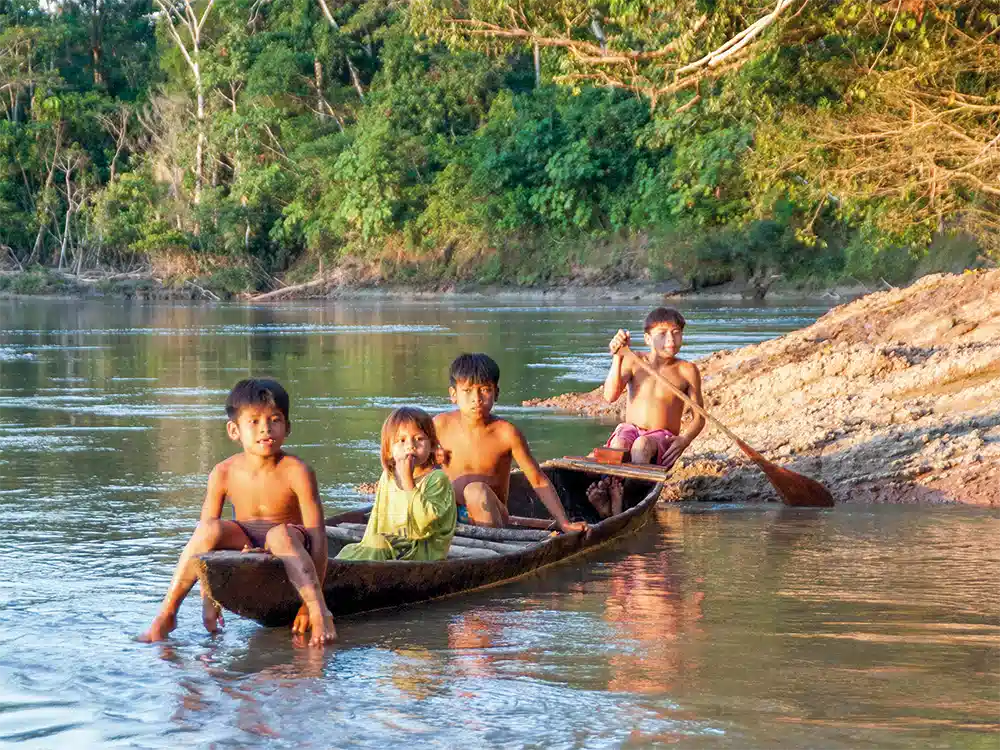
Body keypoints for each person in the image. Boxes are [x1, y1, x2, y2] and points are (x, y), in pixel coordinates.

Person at [139, 378, 335, 647]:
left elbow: (319, 537)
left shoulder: (297, 471)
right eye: (253, 421)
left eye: (274, 419)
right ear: (234, 430)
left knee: (279, 536)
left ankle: (319, 611)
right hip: (245, 541)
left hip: (289, 540)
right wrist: (210, 597)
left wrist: (308, 606)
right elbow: (205, 545)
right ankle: (168, 612)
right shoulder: (223, 472)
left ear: (287, 427)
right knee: (208, 528)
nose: (265, 429)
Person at [434, 353, 587, 533]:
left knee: (475, 491)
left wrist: (564, 522)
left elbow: (537, 479)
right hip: (450, 513)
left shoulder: (506, 433)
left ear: (496, 393)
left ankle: (487, 548)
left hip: (492, 518)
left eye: (484, 389)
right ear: (454, 394)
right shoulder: (439, 425)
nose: (476, 398)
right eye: (467, 391)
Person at [337, 407, 456, 561]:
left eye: (419, 439)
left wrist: (408, 482)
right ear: (389, 450)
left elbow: (426, 524)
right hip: (391, 544)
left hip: (421, 551)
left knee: (378, 544)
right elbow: (378, 521)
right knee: (355, 549)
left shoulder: (437, 479)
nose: (411, 446)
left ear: (432, 445)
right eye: (401, 440)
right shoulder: (388, 476)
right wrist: (368, 544)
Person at [601, 306, 706, 468]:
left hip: (660, 438)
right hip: (630, 430)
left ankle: (632, 489)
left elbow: (699, 417)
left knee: (641, 445)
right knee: (619, 444)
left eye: (676, 332)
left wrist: (685, 440)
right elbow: (610, 396)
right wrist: (617, 356)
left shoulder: (687, 370)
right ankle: (610, 483)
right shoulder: (633, 360)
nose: (671, 339)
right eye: (662, 334)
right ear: (648, 339)